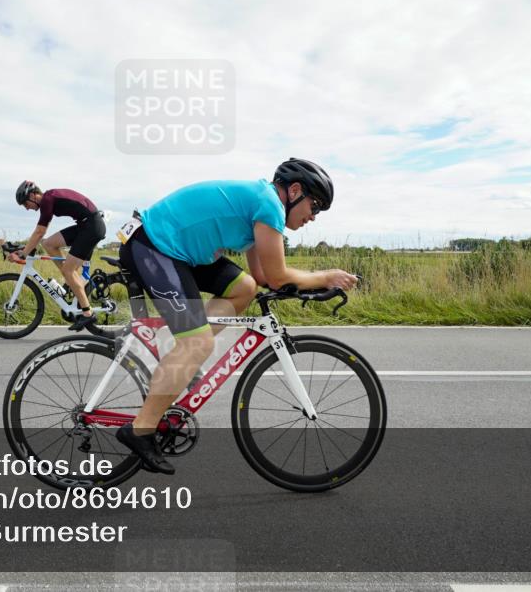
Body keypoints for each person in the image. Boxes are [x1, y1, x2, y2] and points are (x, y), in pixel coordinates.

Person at [115, 159, 358, 474]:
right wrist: (325, 277)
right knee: (197, 344)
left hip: (179, 251)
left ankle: (177, 348)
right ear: (295, 191)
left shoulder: (263, 207)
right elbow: (279, 274)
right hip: (154, 245)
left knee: (243, 288)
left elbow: (261, 277)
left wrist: (297, 287)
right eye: (315, 206)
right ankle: (141, 429)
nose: (313, 216)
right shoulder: (269, 204)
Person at [11, 181, 106, 330]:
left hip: (92, 227)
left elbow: (39, 232)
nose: (27, 208)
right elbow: (41, 236)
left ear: (32, 196)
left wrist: (24, 253)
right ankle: (72, 282)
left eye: (25, 204)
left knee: (68, 270)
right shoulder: (49, 199)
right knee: (48, 244)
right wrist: (27, 249)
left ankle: (88, 314)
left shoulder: (48, 200)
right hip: (84, 225)